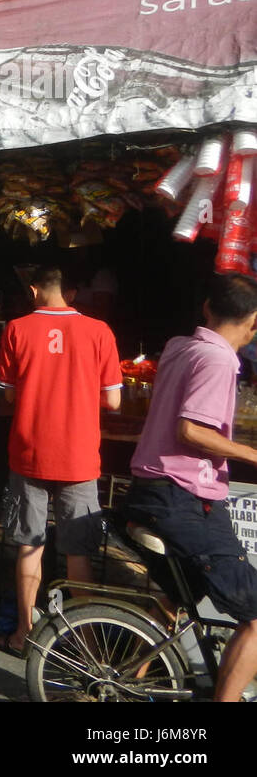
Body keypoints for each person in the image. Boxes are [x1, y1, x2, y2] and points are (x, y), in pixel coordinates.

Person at [124, 273, 257, 702]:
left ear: (206, 308)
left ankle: (126, 677)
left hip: (155, 490)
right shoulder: (218, 359)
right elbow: (191, 431)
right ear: (253, 320)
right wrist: (252, 454)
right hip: (181, 496)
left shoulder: (183, 347)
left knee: (177, 596)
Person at [0, 265, 121, 655]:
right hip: (79, 456)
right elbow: (114, 400)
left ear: (34, 290)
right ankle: (84, 645)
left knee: (29, 545)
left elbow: (10, 396)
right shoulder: (100, 331)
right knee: (77, 552)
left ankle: (23, 635)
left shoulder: (16, 328)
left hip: (30, 453)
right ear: (69, 292)